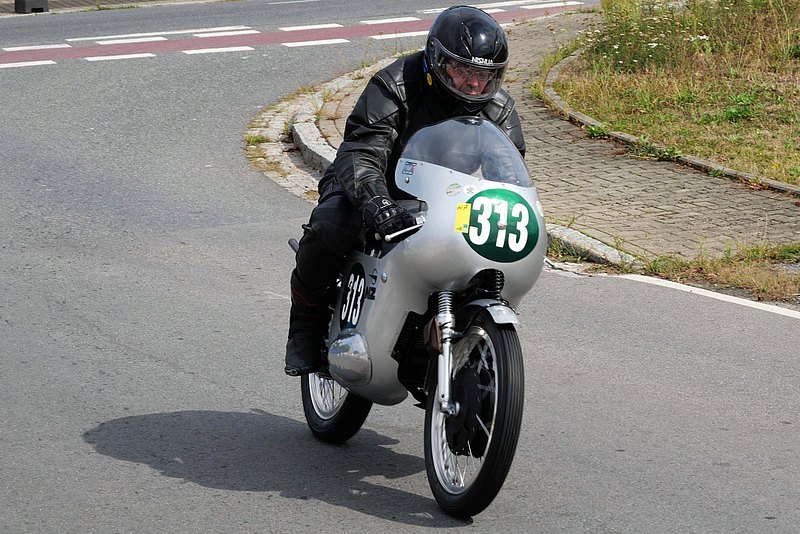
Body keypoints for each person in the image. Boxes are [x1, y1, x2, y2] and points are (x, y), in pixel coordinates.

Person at [284, 5, 526, 376]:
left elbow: (508, 177)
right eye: (464, 71)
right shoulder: (395, 84)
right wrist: (378, 202)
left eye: (484, 74)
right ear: (438, 61)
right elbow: (362, 152)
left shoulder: (499, 108)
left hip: (442, 199)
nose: (475, 84)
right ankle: (306, 324)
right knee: (331, 225)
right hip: (370, 184)